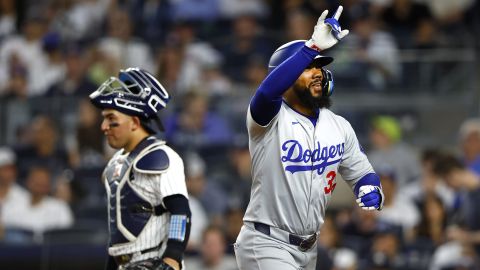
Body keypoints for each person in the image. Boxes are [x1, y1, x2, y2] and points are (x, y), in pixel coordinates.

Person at [234, 6, 385, 270]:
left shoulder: (338, 125)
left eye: (319, 67)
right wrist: (312, 47)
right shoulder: (268, 118)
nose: (317, 73)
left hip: (310, 247)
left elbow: (362, 173)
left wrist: (369, 188)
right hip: (266, 242)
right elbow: (266, 93)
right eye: (307, 68)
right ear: (285, 76)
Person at [89, 67, 191, 270]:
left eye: (112, 119)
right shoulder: (113, 165)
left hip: (154, 261)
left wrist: (171, 261)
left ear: (135, 122)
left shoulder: (162, 157)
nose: (104, 127)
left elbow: (180, 212)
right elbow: (118, 233)